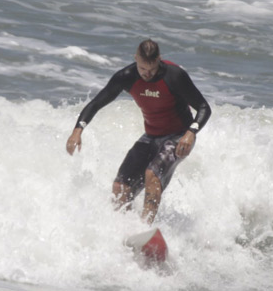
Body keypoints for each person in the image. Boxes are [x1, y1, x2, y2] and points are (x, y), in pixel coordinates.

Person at [66, 39, 211, 224]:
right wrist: (78, 130)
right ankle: (125, 230)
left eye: (152, 69)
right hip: (151, 136)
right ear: (136, 59)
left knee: (152, 175)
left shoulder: (174, 76)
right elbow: (96, 103)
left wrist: (191, 133)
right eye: (143, 69)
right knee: (120, 187)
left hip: (178, 136)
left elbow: (204, 107)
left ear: (159, 59)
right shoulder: (126, 76)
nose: (147, 74)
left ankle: (145, 227)